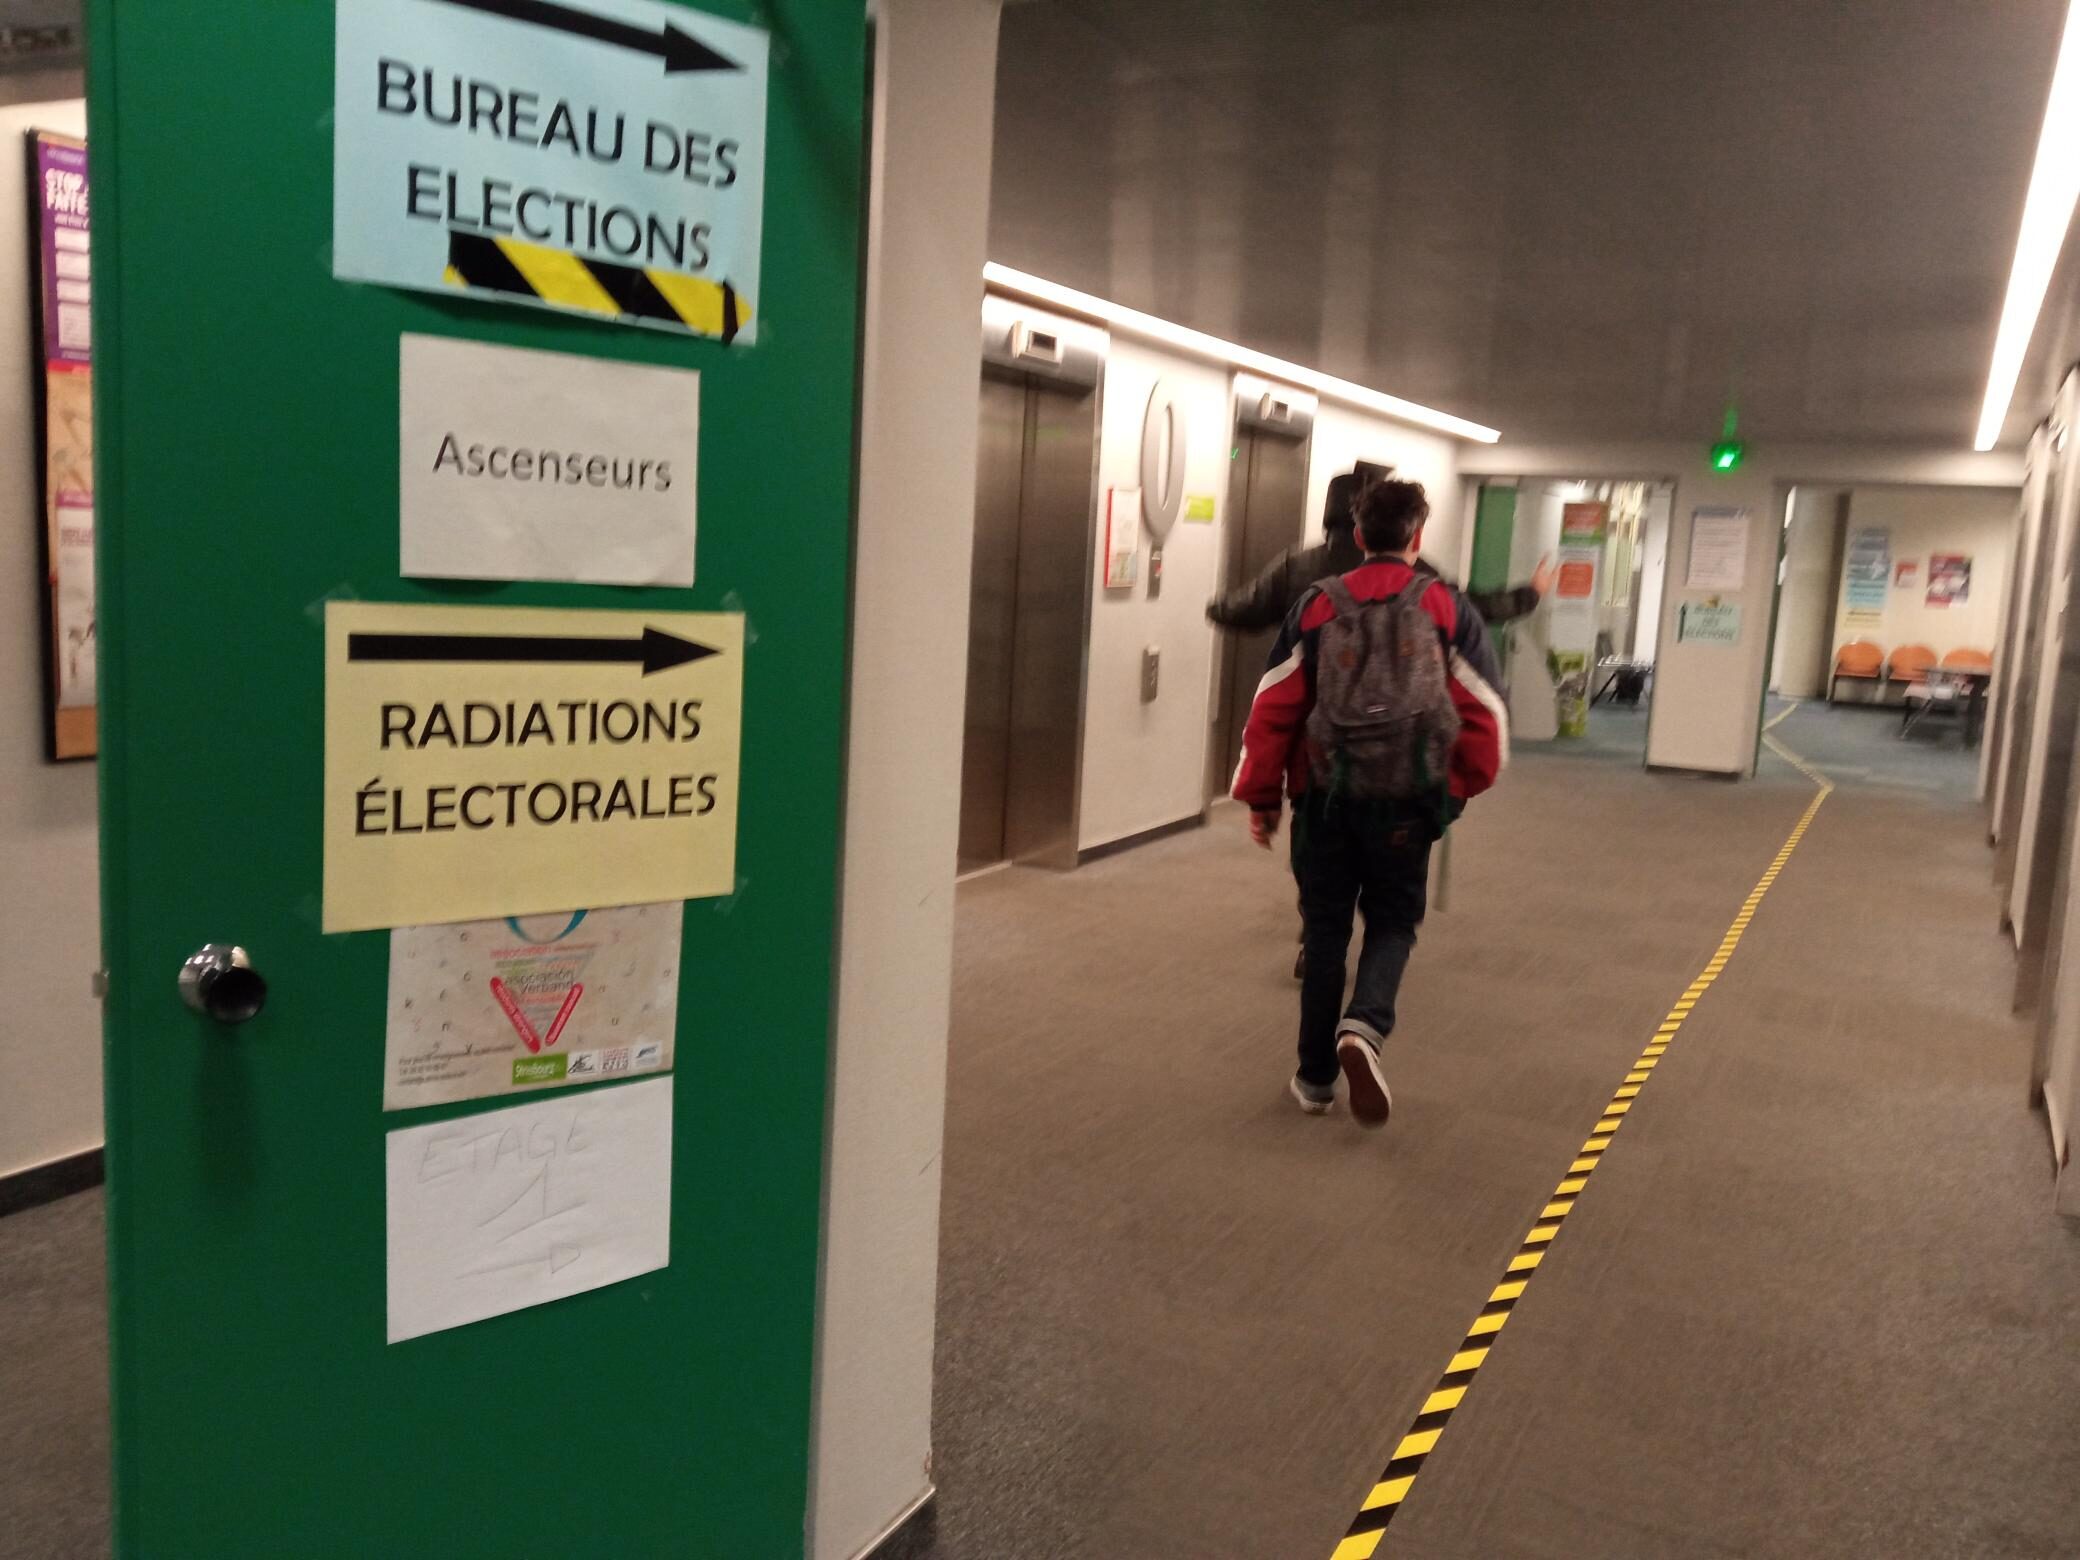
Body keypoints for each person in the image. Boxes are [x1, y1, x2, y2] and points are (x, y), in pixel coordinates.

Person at [1231, 478, 1508, 1128]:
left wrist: (1261, 798)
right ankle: (1364, 1025)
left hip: (1324, 799)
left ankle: (1314, 1080)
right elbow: (1485, 713)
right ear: (1417, 535)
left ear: (1358, 535)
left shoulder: (1316, 605)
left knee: (1326, 933)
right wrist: (1453, 791)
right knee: (1393, 922)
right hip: (1407, 802)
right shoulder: (1445, 606)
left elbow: (1274, 708)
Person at [1207, 471, 1555, 633]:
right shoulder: (1420, 578)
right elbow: (1474, 609)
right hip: (1395, 732)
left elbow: (1240, 610)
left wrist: (1214, 606)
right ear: (1413, 536)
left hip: (1317, 726)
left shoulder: (1296, 567)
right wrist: (1530, 594)